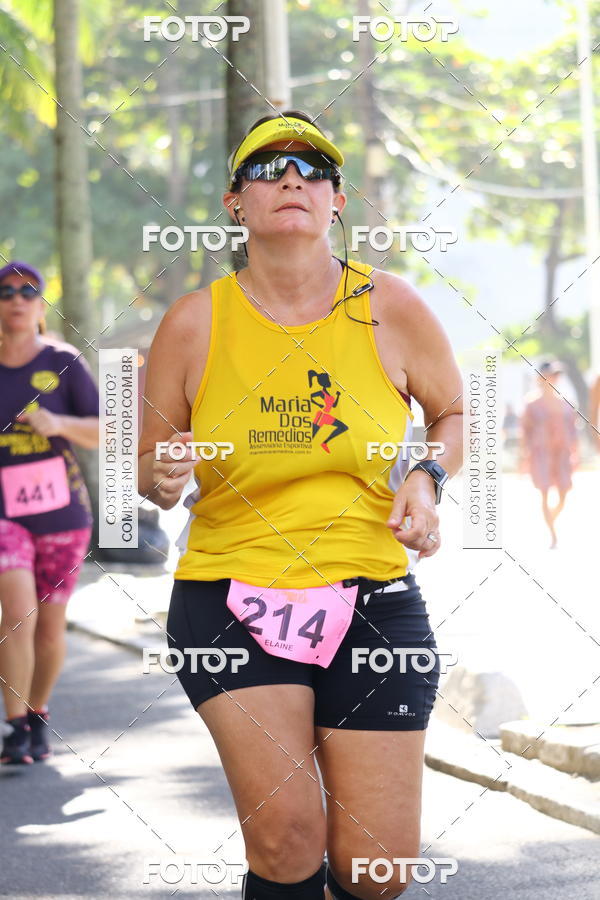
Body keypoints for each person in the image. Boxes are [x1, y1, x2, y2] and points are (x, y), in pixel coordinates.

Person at [138, 111, 463, 900]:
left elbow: (455, 414)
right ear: (234, 203)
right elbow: (146, 466)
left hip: (372, 598)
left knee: (377, 871)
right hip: (230, 596)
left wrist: (426, 476)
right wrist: (165, 476)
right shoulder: (193, 321)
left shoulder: (391, 305)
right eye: (268, 167)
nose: (293, 179)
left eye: (315, 168)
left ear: (337, 201)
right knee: (286, 841)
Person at [0, 261, 99, 764]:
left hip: (63, 515)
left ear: (40, 304)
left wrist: (58, 423)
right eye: (6, 292)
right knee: (18, 613)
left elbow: (109, 430)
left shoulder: (64, 361)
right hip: (3, 514)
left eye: (28, 291)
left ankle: (37, 712)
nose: (16, 300)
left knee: (49, 627)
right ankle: (15, 725)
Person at [520, 359, 578, 548]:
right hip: (541, 454)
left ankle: (550, 519)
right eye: (550, 375)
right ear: (541, 378)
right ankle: (553, 535)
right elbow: (525, 432)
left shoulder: (565, 403)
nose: (553, 378)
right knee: (545, 492)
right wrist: (523, 457)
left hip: (562, 454)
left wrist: (576, 453)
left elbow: (573, 430)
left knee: (563, 493)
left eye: (555, 375)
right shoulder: (532, 404)